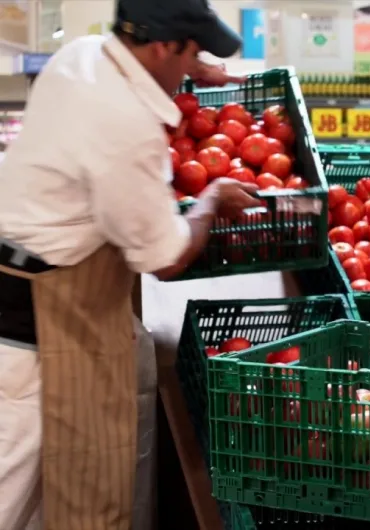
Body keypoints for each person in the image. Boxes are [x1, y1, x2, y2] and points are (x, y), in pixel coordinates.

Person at [0, 0, 262, 528]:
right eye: (193, 51)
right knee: (15, 494)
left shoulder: (81, 56)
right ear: (163, 46)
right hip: (34, 338)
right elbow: (164, 258)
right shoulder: (126, 125)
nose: (198, 62)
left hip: (30, 296)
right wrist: (211, 199)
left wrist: (196, 73)